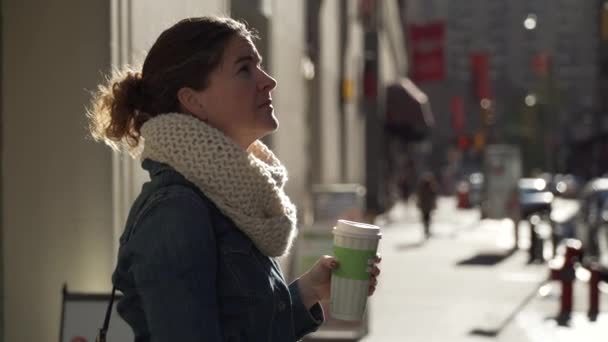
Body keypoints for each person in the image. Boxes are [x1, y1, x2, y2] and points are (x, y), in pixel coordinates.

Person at [87, 16, 381, 341]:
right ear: (193, 101)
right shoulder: (176, 211)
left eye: (260, 66)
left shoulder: (228, 197)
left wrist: (309, 291)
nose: (268, 81)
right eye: (245, 69)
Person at [416, 172, 438, 239]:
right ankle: (427, 229)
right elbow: (433, 196)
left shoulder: (424, 187)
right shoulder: (430, 187)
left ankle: (426, 229)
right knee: (427, 218)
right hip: (427, 206)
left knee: (425, 218)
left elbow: (420, 196)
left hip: (425, 206)